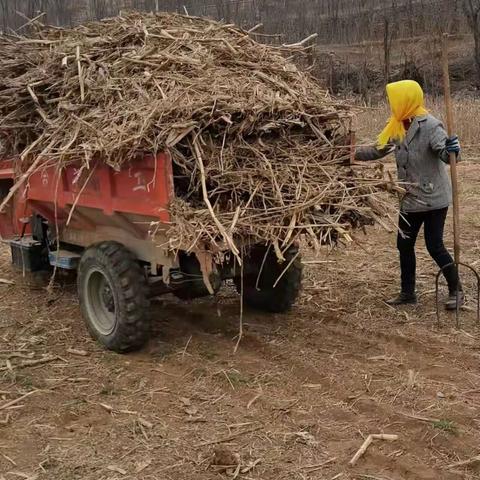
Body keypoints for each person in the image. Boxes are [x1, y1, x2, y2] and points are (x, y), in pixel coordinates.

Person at [355, 79, 463, 310]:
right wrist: (348, 152)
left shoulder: (430, 126)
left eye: (394, 100)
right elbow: (377, 149)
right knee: (404, 245)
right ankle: (407, 293)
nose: (392, 105)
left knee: (434, 246)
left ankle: (456, 289)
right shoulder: (396, 125)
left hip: (433, 198)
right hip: (410, 198)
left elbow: (445, 155)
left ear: (407, 100)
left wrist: (453, 149)